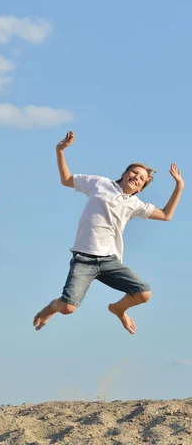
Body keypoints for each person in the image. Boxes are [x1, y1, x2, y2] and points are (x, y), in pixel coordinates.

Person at [33, 131, 184, 335]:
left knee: (143, 293)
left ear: (140, 188)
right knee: (68, 308)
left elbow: (166, 215)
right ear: (124, 174)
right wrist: (60, 150)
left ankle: (118, 309)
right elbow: (67, 179)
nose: (136, 178)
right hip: (83, 258)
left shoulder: (135, 204)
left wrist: (179, 186)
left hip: (109, 261)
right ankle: (52, 307)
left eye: (141, 179)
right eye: (134, 173)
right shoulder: (100, 183)